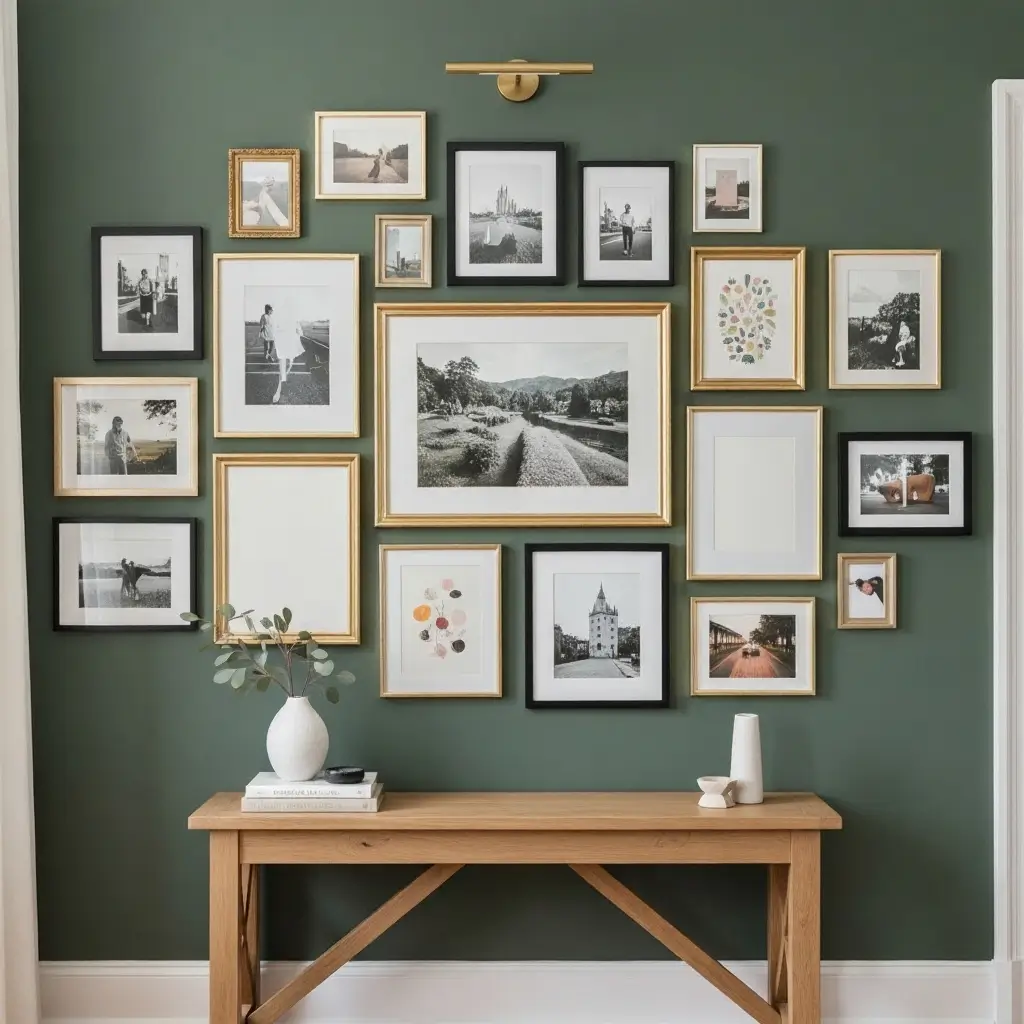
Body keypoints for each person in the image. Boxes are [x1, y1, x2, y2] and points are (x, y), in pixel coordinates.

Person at [271, 317, 306, 405]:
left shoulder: (294, 320)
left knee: (288, 366)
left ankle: (281, 385)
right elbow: (275, 332)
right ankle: (279, 390)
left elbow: (301, 333)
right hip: (284, 345)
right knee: (283, 368)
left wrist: (297, 331)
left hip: (291, 346)